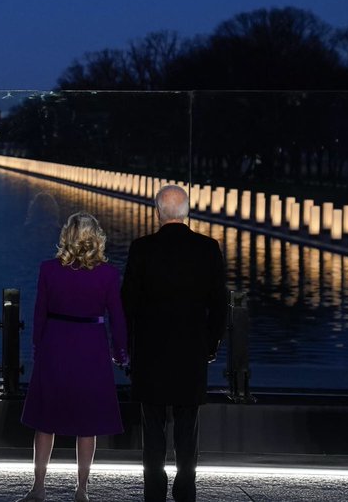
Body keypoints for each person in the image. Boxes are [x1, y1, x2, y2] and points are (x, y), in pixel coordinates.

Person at [121, 185, 228, 502]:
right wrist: (210, 344)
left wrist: (129, 347)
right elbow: (220, 305)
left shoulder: (142, 248)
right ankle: (185, 488)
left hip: (151, 352)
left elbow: (128, 303)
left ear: (157, 212)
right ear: (187, 212)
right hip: (191, 351)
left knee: (152, 426)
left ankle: (154, 489)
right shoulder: (208, 248)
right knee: (187, 424)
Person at [19, 212, 128, 502]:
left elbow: (39, 313)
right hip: (91, 348)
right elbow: (117, 318)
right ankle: (82, 489)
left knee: (46, 421)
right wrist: (121, 352)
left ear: (67, 235)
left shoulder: (48, 270)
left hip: (56, 345)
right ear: (96, 237)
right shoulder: (108, 274)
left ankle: (38, 487)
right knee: (87, 423)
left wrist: (37, 347)